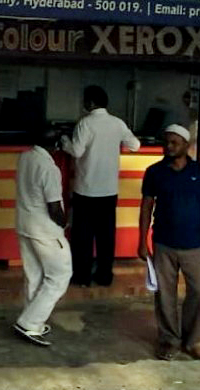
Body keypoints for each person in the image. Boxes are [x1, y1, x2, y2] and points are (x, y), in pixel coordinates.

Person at [138, 123, 200, 361]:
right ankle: (168, 341)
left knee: (199, 292)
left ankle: (192, 341)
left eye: (174, 142)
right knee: (165, 295)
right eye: (166, 142)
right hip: (163, 243)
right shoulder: (154, 172)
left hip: (194, 245)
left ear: (186, 145)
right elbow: (146, 207)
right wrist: (142, 241)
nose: (169, 146)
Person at [62, 85, 140, 287]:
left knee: (83, 237)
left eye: (85, 101)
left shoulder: (85, 124)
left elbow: (77, 151)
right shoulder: (117, 123)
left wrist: (64, 141)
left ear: (90, 103)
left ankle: (82, 277)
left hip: (86, 189)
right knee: (106, 237)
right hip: (109, 190)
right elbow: (135, 145)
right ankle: (105, 276)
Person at [13, 125, 71, 347]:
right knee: (60, 276)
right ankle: (29, 322)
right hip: (45, 231)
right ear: (57, 144)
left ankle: (33, 324)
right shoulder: (49, 168)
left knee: (34, 275)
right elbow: (55, 208)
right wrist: (66, 223)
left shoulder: (25, 157)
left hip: (24, 225)